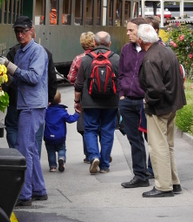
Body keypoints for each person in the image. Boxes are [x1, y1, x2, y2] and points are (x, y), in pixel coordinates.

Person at [0, 16, 49, 206]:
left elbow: (34, 77)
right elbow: (20, 79)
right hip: (27, 103)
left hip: (32, 104)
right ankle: (39, 189)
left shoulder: (37, 51)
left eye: (23, 31)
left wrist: (10, 67)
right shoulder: (21, 52)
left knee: (24, 147)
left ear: (31, 31)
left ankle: (25, 194)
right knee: (31, 148)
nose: (20, 35)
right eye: (17, 32)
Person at [137, 23, 186, 198]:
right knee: (168, 145)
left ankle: (164, 186)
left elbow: (155, 89)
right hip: (173, 103)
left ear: (141, 40)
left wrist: (147, 101)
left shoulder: (150, 57)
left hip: (159, 107)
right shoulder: (167, 51)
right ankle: (174, 182)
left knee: (158, 146)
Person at [74, 30, 119, 174]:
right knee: (107, 131)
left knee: (90, 130)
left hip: (90, 101)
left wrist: (77, 101)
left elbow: (79, 83)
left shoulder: (86, 59)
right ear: (109, 44)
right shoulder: (116, 59)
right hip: (111, 102)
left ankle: (93, 156)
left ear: (94, 43)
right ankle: (105, 165)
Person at [118, 18, 153, 188]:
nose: (128, 33)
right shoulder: (126, 49)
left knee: (151, 138)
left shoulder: (151, 50)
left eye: (131, 30)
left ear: (141, 31)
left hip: (144, 101)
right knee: (134, 140)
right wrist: (122, 94)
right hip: (127, 101)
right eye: (128, 30)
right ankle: (140, 175)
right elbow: (121, 73)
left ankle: (154, 172)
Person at [67, 32, 95, 163]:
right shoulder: (102, 56)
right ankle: (101, 153)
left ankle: (89, 154)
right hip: (103, 95)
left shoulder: (79, 59)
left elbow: (71, 78)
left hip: (85, 96)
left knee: (86, 125)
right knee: (100, 124)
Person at [44, 91, 79, 171]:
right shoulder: (62, 111)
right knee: (61, 149)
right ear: (60, 100)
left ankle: (53, 166)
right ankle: (61, 158)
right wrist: (77, 114)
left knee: (50, 151)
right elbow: (70, 119)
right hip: (60, 136)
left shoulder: (46, 111)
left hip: (48, 136)